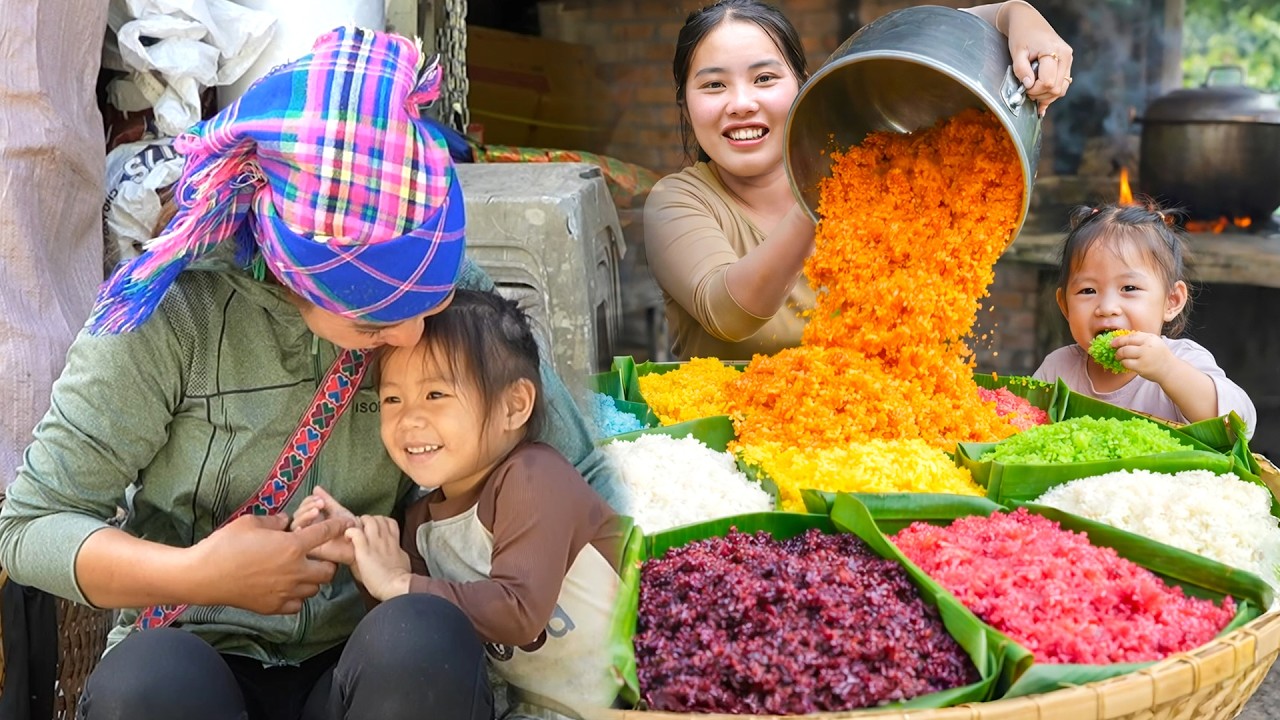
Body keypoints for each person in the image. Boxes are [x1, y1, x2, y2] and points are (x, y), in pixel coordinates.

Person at [0, 27, 622, 720]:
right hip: (197, 654)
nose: (412, 335)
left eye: (428, 305)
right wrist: (201, 572)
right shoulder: (173, 313)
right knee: (146, 688)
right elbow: (31, 527)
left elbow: (579, 474)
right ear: (296, 276)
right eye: (375, 319)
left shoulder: (436, 291)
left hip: (368, 667)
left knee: (424, 640)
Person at [644, 0, 1076, 360]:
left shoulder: (883, 190)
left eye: (764, 78)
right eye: (714, 85)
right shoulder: (678, 201)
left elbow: (923, 30)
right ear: (685, 104)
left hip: (879, 432)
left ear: (802, 84)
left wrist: (1015, 13)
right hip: (728, 433)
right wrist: (823, 191)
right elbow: (729, 314)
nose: (741, 103)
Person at [293, 288, 625, 720]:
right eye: (392, 399)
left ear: (514, 405)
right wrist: (364, 556)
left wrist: (398, 581)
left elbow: (519, 612)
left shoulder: (534, 479)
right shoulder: (422, 522)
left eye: (435, 395)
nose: (409, 418)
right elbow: (414, 635)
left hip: (632, 698)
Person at [1032, 202, 1256, 435]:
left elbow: (1239, 425)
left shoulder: (1182, 360)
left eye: (1129, 288)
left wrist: (1167, 370)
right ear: (1065, 306)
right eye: (1088, 290)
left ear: (1171, 300)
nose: (1107, 308)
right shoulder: (1057, 369)